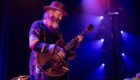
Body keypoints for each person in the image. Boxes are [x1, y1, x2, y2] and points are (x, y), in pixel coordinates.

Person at [29, 1, 83, 80]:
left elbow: (63, 49)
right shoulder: (38, 25)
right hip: (40, 70)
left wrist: (75, 42)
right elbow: (33, 44)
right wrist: (55, 49)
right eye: (59, 15)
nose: (61, 18)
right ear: (50, 13)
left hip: (55, 71)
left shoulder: (57, 31)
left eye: (61, 16)